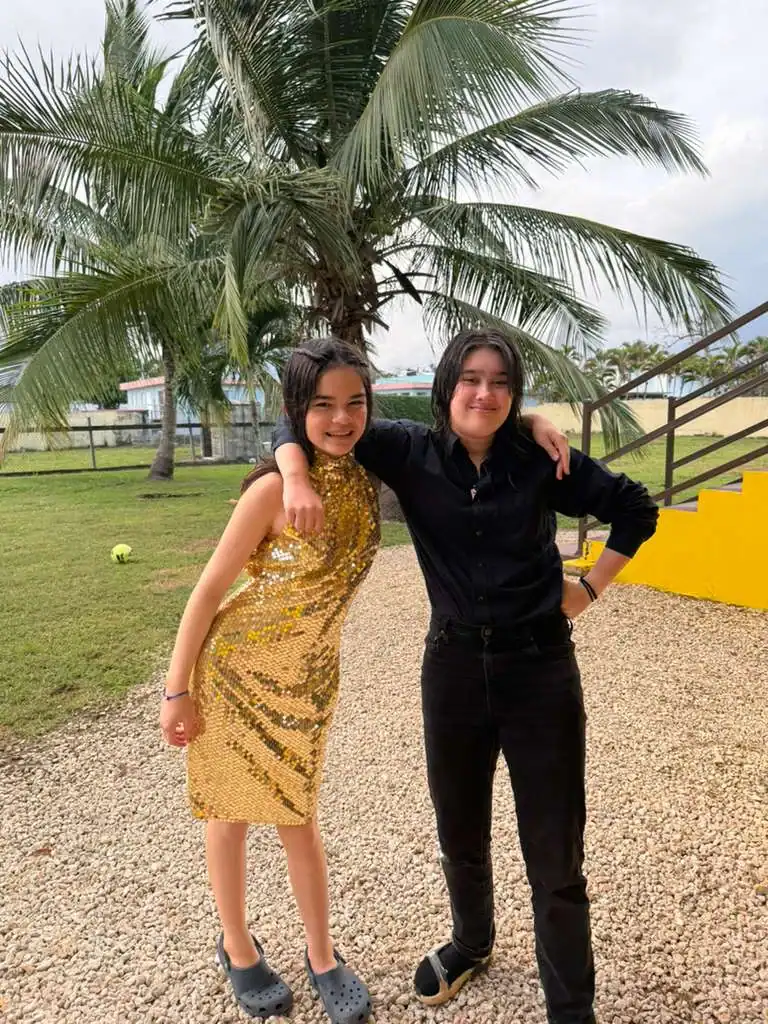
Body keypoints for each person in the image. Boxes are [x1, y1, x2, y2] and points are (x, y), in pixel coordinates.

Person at [273, 328, 659, 1024]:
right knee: (459, 830)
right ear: (446, 386)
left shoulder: (542, 460)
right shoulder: (405, 450)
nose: (485, 394)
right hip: (451, 669)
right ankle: (472, 943)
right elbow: (309, 418)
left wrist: (589, 588)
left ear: (515, 394)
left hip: (539, 670)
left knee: (555, 852)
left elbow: (636, 507)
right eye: (471, 379)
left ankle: (572, 1009)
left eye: (501, 383)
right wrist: (295, 477)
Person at [159, 338, 382, 1024]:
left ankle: (322, 955)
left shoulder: (368, 475)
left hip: (308, 684)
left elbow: (460, 429)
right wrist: (177, 690)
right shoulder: (268, 492)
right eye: (323, 405)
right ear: (297, 410)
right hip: (234, 675)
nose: (341, 418)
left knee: (298, 819)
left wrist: (530, 421)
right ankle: (237, 946)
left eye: (354, 403)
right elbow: (207, 593)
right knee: (228, 817)